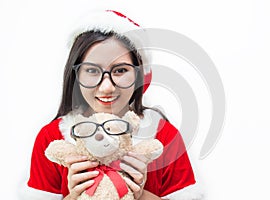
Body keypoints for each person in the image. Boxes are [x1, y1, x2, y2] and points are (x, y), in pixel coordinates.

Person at [24, 10, 196, 199]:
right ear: (76, 75)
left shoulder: (163, 136)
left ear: (139, 74)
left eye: (120, 70)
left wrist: (140, 195)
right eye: (91, 70)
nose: (107, 87)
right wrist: (74, 195)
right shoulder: (51, 138)